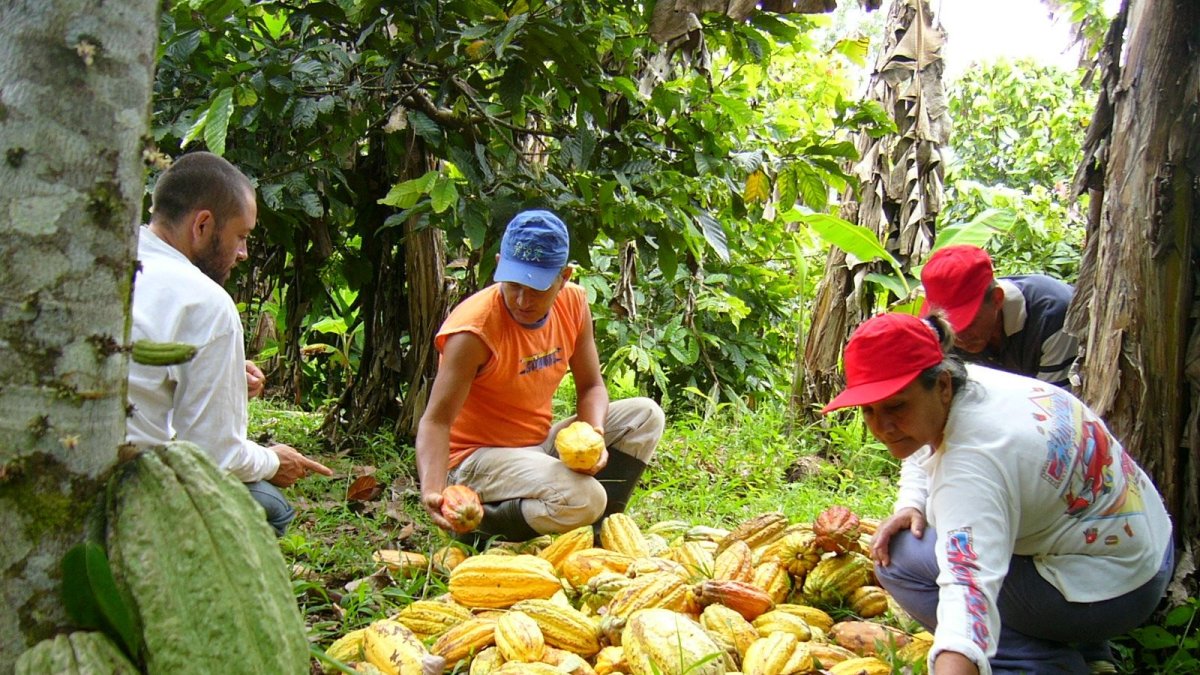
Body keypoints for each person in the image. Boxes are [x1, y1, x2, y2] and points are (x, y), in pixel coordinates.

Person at [823, 312, 1173, 675]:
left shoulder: (972, 467)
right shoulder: (974, 383)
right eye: (869, 410)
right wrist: (912, 501)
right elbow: (920, 443)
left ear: (941, 386)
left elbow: (967, 591)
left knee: (897, 559)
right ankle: (1089, 651)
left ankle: (1038, 664)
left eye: (896, 406)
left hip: (1118, 595)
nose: (882, 427)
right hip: (1150, 548)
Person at [416, 209, 665, 543]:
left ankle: (596, 534)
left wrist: (593, 434)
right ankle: (483, 527)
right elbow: (436, 421)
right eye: (514, 284)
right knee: (586, 497)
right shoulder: (473, 331)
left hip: (534, 445)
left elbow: (592, 386)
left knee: (646, 415)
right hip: (475, 460)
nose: (521, 300)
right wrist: (433, 489)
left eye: (536, 288)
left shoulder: (574, 303)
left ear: (564, 276)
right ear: (500, 263)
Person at [126, 151, 332, 536]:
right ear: (203, 225)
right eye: (241, 236)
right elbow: (214, 456)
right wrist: (273, 460)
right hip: (127, 487)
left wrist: (225, 372)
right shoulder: (206, 300)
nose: (243, 253)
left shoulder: (114, 257)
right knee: (272, 506)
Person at [920, 244, 1078, 390]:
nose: (959, 338)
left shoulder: (1052, 316)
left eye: (968, 323)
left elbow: (1053, 407)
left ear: (997, 299)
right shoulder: (945, 332)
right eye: (951, 327)